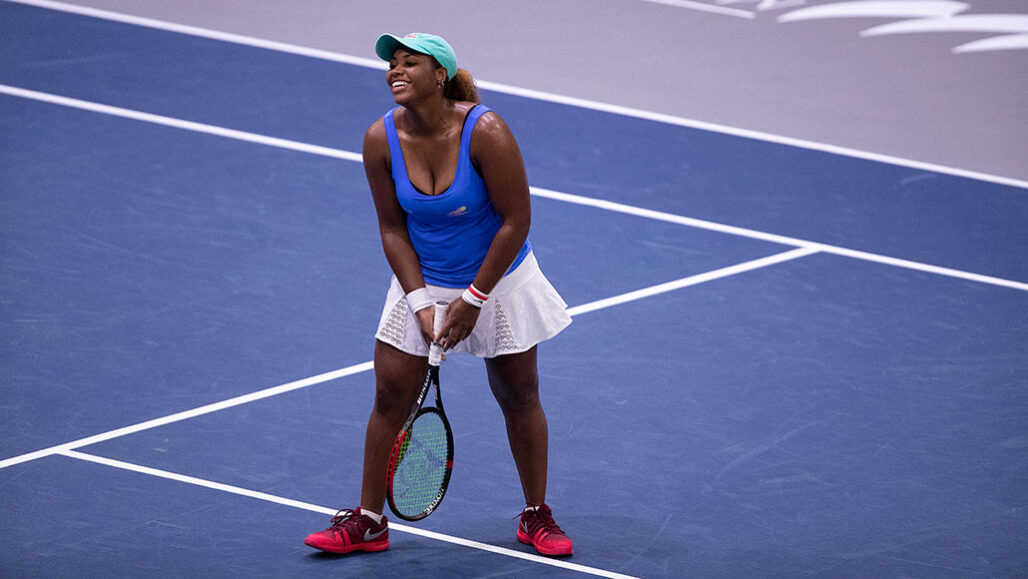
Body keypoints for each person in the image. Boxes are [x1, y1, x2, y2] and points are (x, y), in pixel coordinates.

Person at [303, 32, 574, 558]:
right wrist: (422, 301)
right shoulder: (379, 139)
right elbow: (391, 229)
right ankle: (368, 521)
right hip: (423, 278)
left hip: (499, 279)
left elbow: (517, 221)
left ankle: (536, 514)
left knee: (518, 395)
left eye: (410, 63)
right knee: (388, 395)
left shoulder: (486, 130)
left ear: (440, 75)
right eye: (391, 64)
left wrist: (473, 299)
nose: (395, 71)